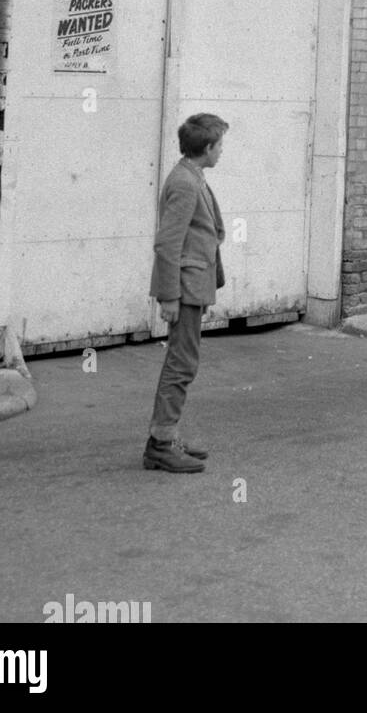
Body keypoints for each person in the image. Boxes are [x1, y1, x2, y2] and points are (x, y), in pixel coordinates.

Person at [143, 113, 229, 473]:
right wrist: (169, 296)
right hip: (185, 287)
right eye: (220, 144)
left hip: (195, 285)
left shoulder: (193, 176)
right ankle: (161, 445)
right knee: (181, 363)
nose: (222, 151)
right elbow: (167, 243)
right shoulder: (185, 183)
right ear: (207, 148)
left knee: (183, 361)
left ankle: (164, 436)